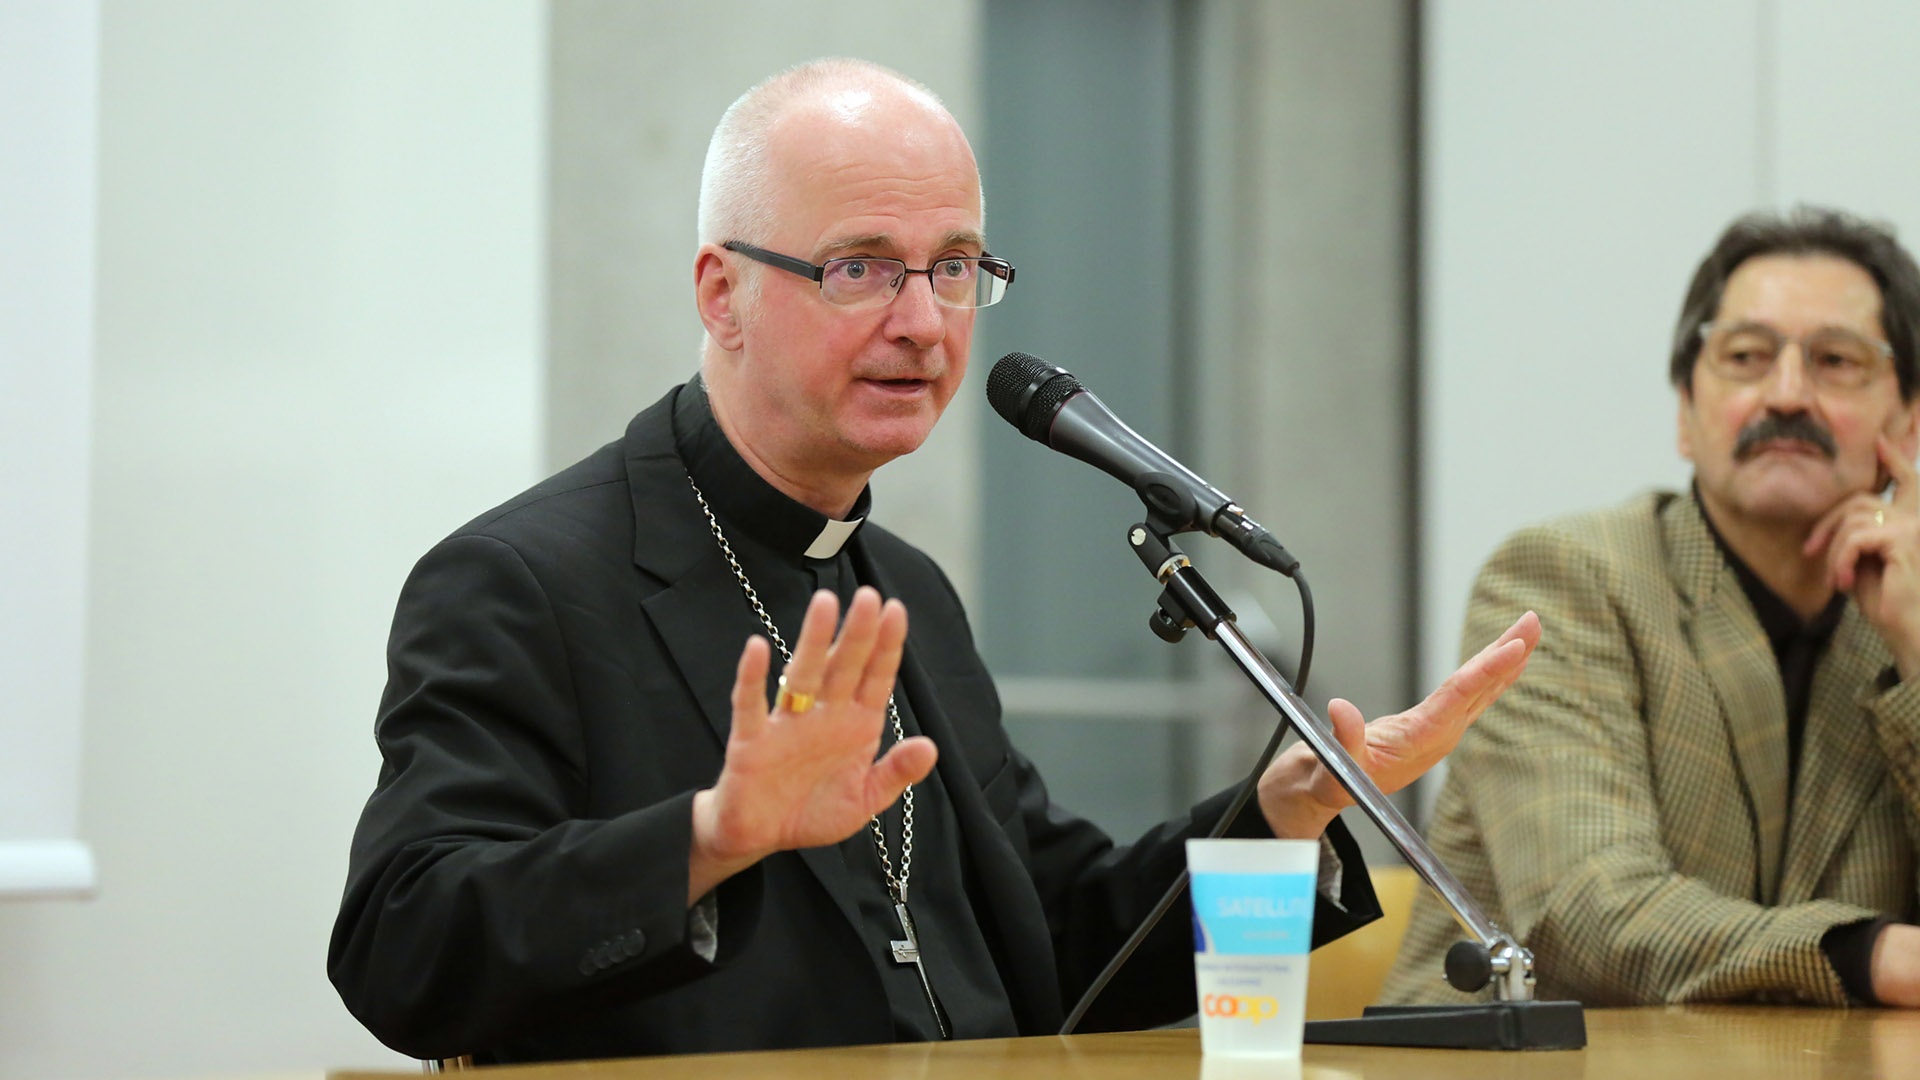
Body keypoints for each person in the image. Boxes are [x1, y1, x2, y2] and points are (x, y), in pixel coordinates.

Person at [329, 58, 1539, 1064]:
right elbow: (399, 947)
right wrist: (709, 837)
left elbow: (1062, 943)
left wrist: (1276, 816)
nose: (922, 321)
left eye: (954, 266)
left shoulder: (906, 590)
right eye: (859, 266)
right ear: (722, 292)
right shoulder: (523, 580)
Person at [1383, 206, 1920, 1010]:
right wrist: (1871, 956)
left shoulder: (1905, 614)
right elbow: (1591, 916)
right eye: (1746, 356)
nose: (1786, 393)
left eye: (1837, 361)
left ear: (1907, 421)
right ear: (1684, 411)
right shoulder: (1564, 579)